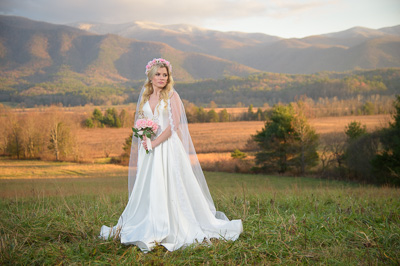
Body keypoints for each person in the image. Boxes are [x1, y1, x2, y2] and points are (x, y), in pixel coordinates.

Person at [99, 58, 243, 252]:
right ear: (150, 76)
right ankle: (149, 221)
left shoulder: (172, 95)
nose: (161, 78)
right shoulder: (145, 97)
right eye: (158, 74)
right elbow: (142, 120)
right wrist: (144, 138)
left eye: (165, 75)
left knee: (169, 183)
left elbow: (173, 126)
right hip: (149, 149)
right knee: (150, 185)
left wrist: (155, 142)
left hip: (167, 147)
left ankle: (171, 224)